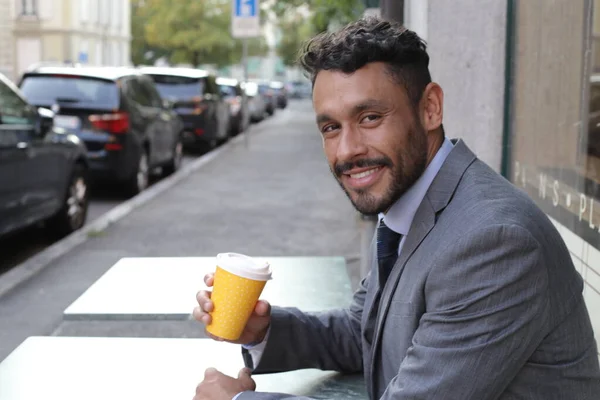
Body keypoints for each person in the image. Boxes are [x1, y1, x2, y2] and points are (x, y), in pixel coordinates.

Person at [192, 17, 600, 400]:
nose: (348, 150)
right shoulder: (413, 202)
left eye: (369, 117)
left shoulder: (494, 242)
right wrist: (263, 330)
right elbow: (365, 331)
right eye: (331, 127)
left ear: (430, 109)